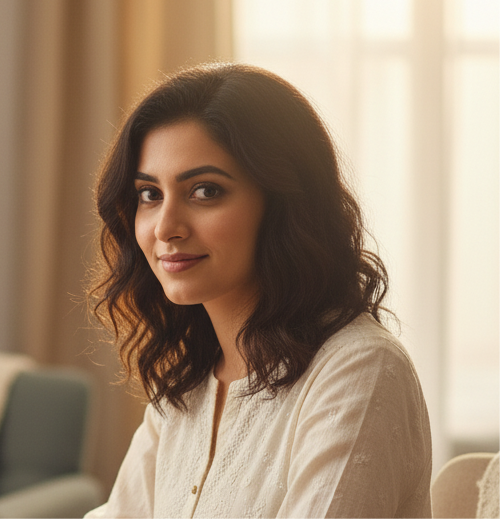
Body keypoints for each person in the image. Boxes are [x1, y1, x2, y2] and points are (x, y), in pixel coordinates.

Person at [85, 63, 432, 519]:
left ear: (285, 204)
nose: (165, 227)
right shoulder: (187, 385)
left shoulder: (360, 369)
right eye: (150, 194)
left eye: (205, 191)